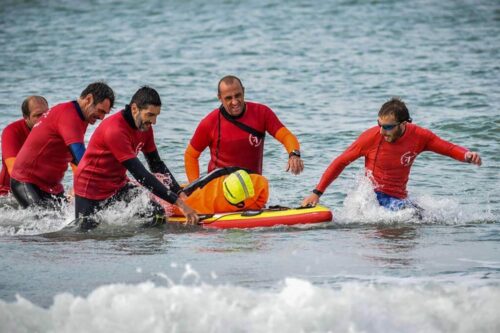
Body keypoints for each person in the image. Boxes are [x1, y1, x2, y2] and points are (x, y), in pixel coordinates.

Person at [302, 97, 482, 210]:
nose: (382, 131)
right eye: (379, 125)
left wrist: (466, 155)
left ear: (404, 124)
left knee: (427, 217)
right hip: (373, 197)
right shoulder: (371, 137)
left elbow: (448, 148)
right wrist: (317, 193)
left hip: (398, 197)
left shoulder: (420, 136)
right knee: (413, 215)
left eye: (387, 127)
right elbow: (340, 162)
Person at [74, 86, 199, 229]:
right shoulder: (115, 130)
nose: (154, 121)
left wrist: (179, 193)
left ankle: (141, 248)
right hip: (89, 189)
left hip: (117, 185)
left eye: (156, 116)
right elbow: (141, 175)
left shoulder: (145, 128)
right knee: (86, 234)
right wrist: (179, 204)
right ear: (134, 109)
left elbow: (156, 164)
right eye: (150, 115)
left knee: (156, 214)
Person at [10, 82, 114, 209]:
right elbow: (81, 157)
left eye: (105, 114)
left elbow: (75, 159)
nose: (102, 118)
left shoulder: (82, 116)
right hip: (26, 181)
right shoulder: (68, 115)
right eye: (100, 111)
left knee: (65, 222)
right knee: (44, 222)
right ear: (88, 99)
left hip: (52, 186)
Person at [184, 75, 304, 183]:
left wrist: (294, 154)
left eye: (238, 95)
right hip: (219, 190)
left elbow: (286, 136)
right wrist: (195, 186)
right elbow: (191, 155)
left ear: (244, 91)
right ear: (220, 98)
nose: (235, 102)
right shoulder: (210, 122)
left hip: (252, 187)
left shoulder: (262, 113)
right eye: (228, 98)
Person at [162, 167, 269, 216]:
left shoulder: (258, 183)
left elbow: (263, 192)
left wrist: (257, 207)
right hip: (198, 192)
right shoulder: (201, 201)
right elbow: (171, 204)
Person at [0, 96, 49, 195]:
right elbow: (13, 170)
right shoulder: (12, 132)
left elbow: (74, 158)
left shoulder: (53, 131)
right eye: (38, 115)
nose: (44, 118)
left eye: (46, 114)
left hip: (40, 190)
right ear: (26, 117)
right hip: (8, 195)